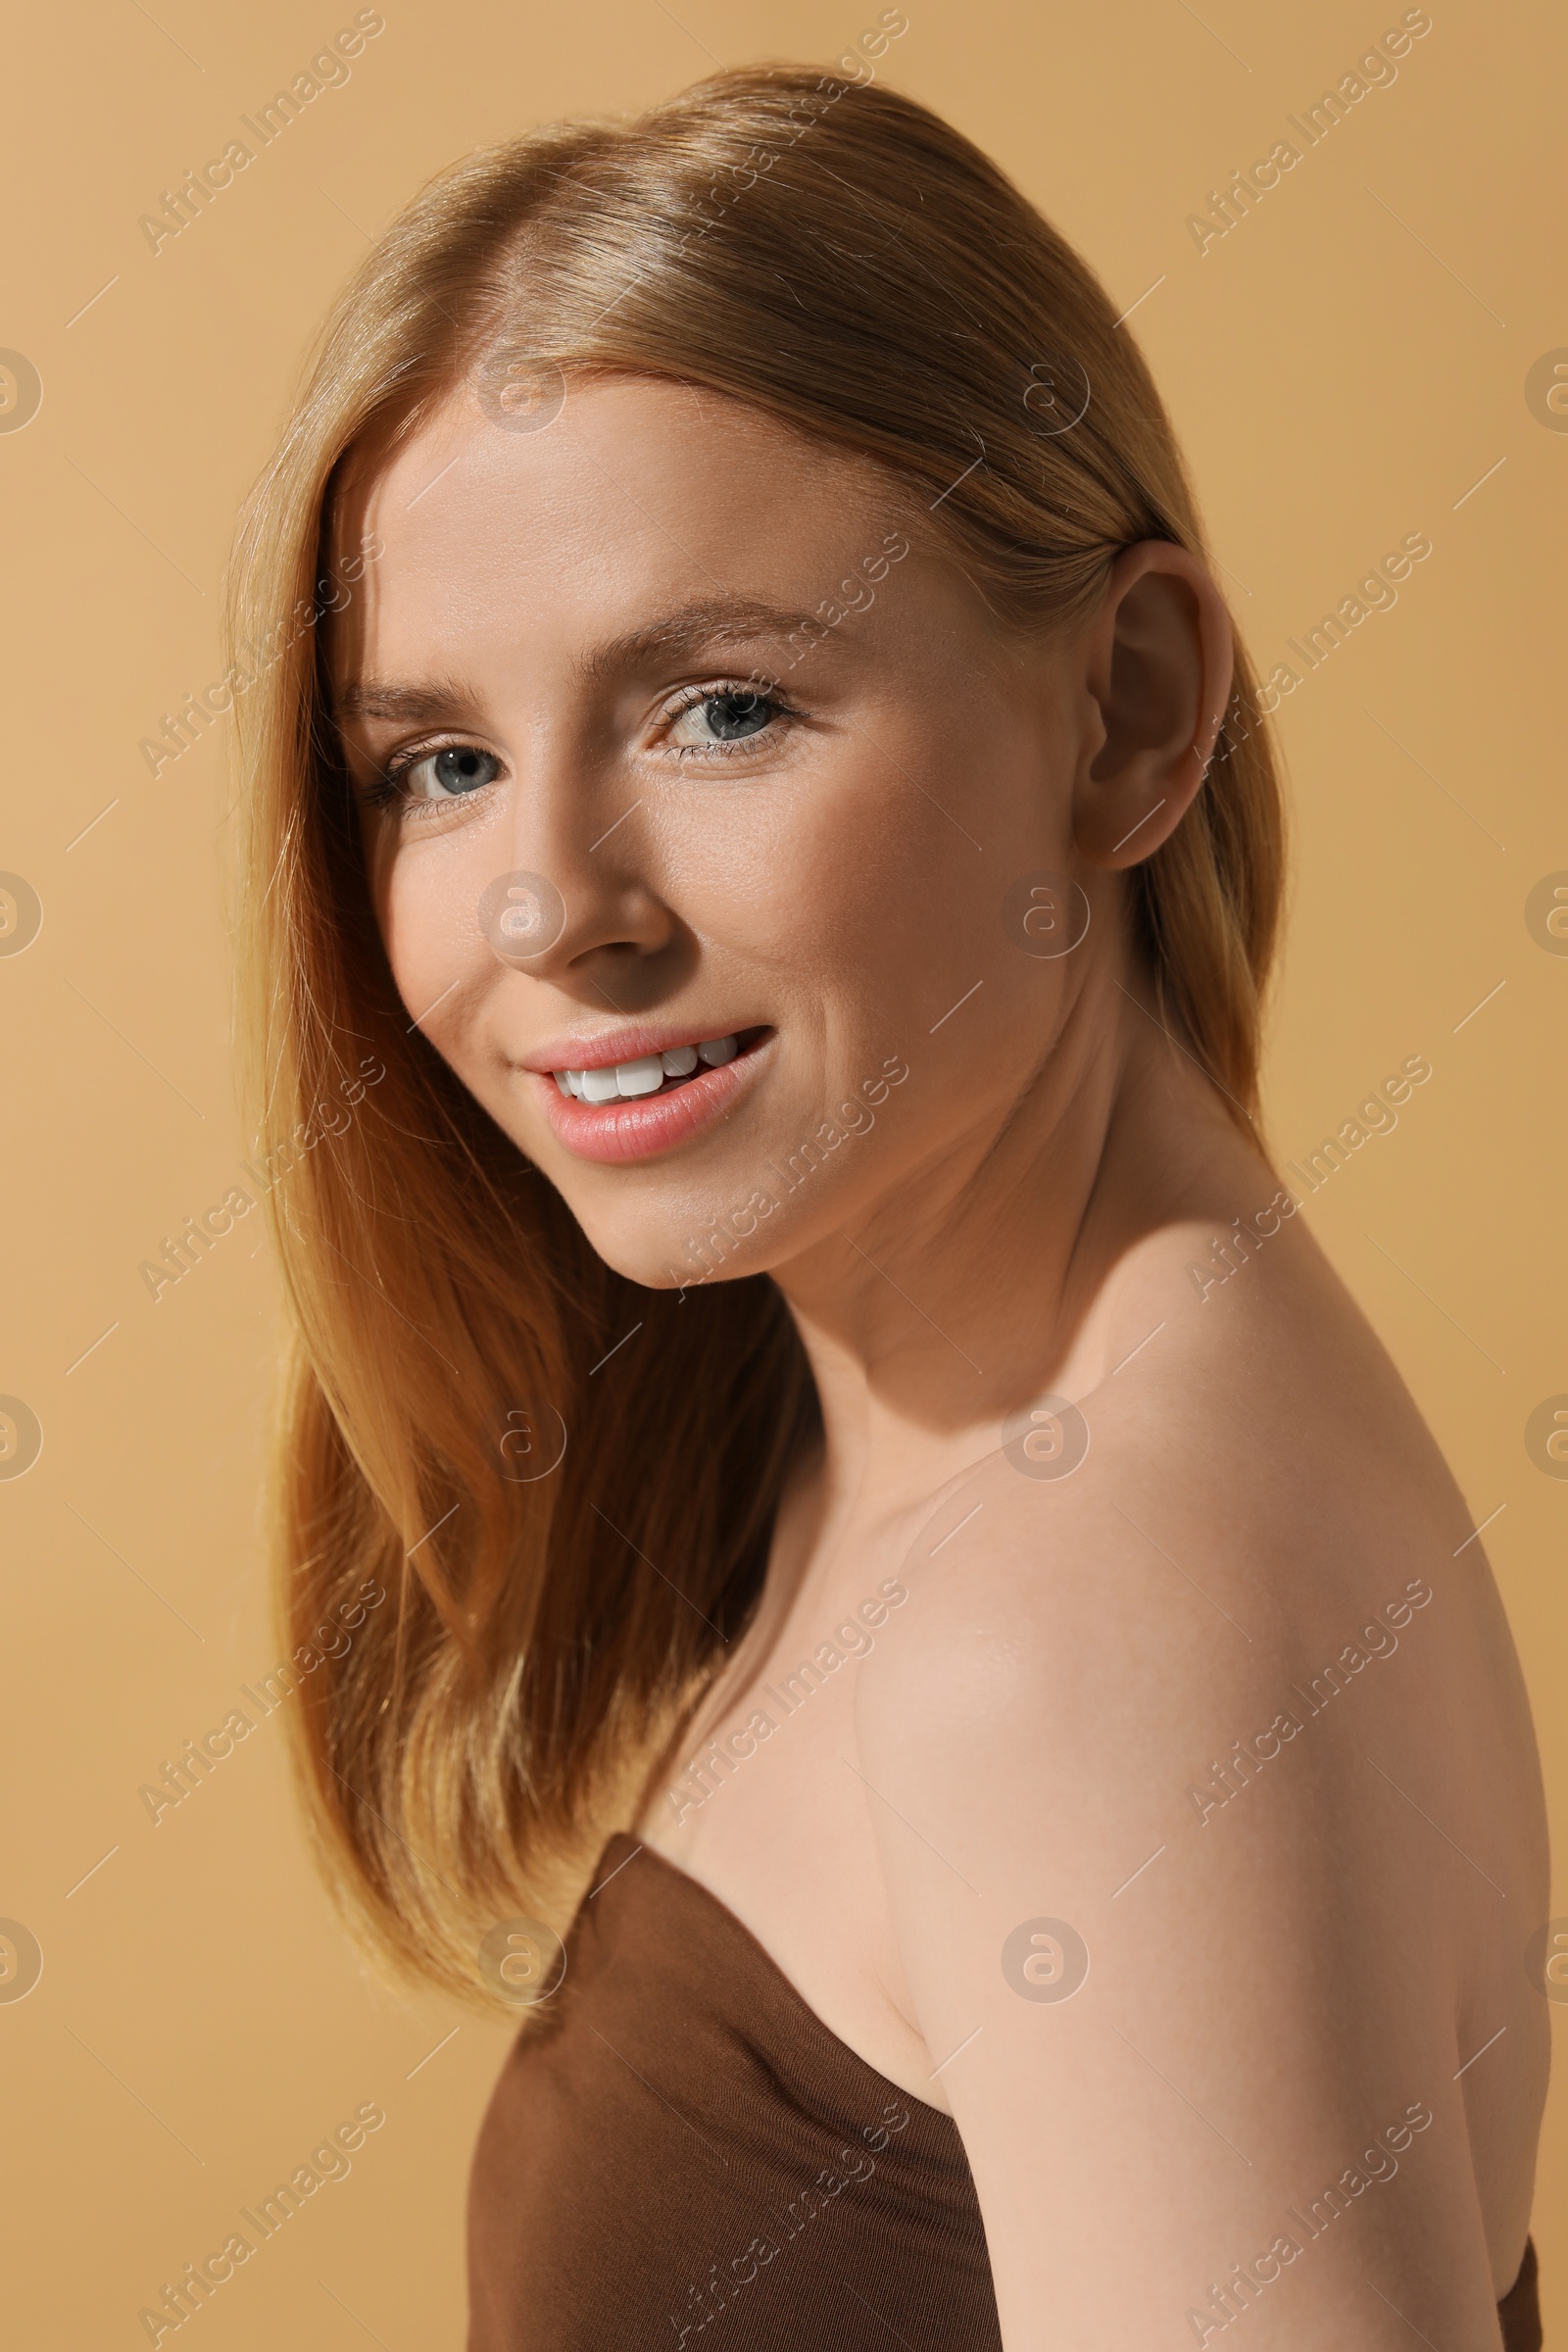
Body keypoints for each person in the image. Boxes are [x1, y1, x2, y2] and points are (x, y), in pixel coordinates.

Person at [228, 61, 1548, 2350]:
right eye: (434, 762)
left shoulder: (1070, 1639)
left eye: (718, 709)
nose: (544, 898)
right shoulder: (972, 1425)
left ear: (1125, 713)